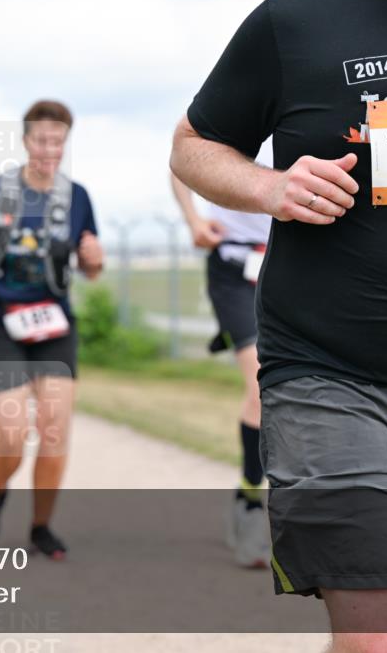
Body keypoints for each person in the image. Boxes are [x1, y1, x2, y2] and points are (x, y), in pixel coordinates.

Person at [170, 0, 387, 651]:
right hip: (334, 379)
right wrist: (269, 187)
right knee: (386, 639)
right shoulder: (298, 16)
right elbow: (193, 144)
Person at [0, 100, 104, 559]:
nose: (49, 149)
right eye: (41, 140)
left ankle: (40, 526)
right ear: (25, 140)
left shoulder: (77, 198)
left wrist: (94, 261)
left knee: (55, 429)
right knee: (11, 431)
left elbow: (90, 263)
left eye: (58, 141)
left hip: (54, 324)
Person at [171, 141, 273, 569]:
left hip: (291, 264)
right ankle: (252, 500)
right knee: (260, 385)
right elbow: (179, 161)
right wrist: (193, 219)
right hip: (234, 268)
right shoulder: (240, 101)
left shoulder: (316, 98)